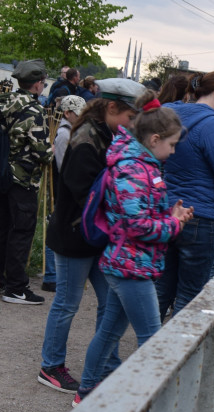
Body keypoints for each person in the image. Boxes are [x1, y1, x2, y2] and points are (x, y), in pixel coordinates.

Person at [73, 99, 194, 407]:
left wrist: (170, 213)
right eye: (172, 144)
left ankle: (85, 393)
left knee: (110, 331)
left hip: (127, 263)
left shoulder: (141, 165)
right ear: (154, 140)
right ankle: (146, 410)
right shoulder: (134, 168)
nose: (174, 151)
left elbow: (139, 212)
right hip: (131, 268)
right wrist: (173, 224)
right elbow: (137, 224)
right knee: (151, 341)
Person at [37, 78, 143, 393]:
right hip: (75, 236)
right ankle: (50, 365)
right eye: (130, 117)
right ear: (112, 108)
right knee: (67, 302)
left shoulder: (108, 134)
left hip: (97, 236)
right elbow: (86, 195)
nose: (132, 124)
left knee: (110, 299)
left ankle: (107, 364)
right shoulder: (85, 140)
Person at [159, 71, 214, 318]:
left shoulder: (170, 114)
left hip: (168, 210)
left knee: (161, 288)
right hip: (201, 216)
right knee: (189, 294)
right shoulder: (211, 124)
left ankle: (147, 348)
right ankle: (177, 352)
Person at [0, 59, 53, 305]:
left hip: (0, 174)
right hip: (23, 180)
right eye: (43, 83)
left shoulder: (3, 102)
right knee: (21, 231)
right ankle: (16, 288)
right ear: (37, 84)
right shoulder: (35, 111)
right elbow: (42, 152)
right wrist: (52, 150)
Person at [41, 94, 87, 293]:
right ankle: (51, 274)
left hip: (67, 187)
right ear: (67, 113)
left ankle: (56, 273)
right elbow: (63, 165)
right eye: (78, 114)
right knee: (56, 225)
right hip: (62, 187)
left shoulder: (74, 131)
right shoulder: (64, 134)